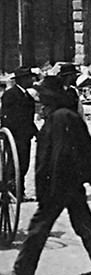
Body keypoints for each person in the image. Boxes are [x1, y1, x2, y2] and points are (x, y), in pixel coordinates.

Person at [2, 67, 91, 275]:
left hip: (58, 185)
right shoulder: (60, 117)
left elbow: (60, 156)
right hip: (68, 184)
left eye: (43, 99)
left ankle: (22, 271)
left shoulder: (62, 118)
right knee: (84, 223)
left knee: (39, 227)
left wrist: (47, 186)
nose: (40, 104)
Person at [1, 65, 37, 200]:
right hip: (15, 135)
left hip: (25, 136)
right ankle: (10, 192)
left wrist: (35, 132)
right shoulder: (10, 95)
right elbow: (7, 117)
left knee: (24, 164)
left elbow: (29, 118)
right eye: (29, 78)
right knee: (14, 163)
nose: (32, 81)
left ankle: (19, 192)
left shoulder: (27, 96)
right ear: (21, 80)